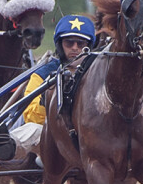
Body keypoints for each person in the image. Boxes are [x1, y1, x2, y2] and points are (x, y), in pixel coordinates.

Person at [9, 15, 96, 154]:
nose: (75, 48)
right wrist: (47, 101)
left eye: (80, 44)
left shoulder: (98, 73)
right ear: (60, 44)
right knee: (32, 129)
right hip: (52, 137)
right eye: (69, 43)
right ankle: (4, 144)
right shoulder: (42, 74)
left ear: (89, 46)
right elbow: (31, 117)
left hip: (89, 136)